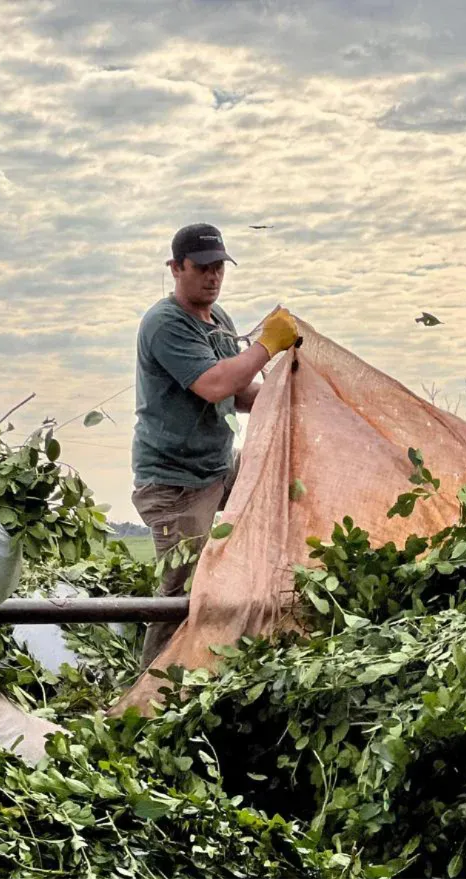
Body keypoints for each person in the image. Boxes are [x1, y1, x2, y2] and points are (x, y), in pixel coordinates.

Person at [131, 222, 298, 669]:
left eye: (219, 267)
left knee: (285, 479)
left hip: (218, 468)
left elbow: (240, 392)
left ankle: (252, 648)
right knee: (181, 592)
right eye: (202, 267)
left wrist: (291, 393)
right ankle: (150, 694)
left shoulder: (219, 320)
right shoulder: (164, 323)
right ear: (175, 268)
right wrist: (267, 346)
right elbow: (213, 384)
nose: (213, 276)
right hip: (174, 482)